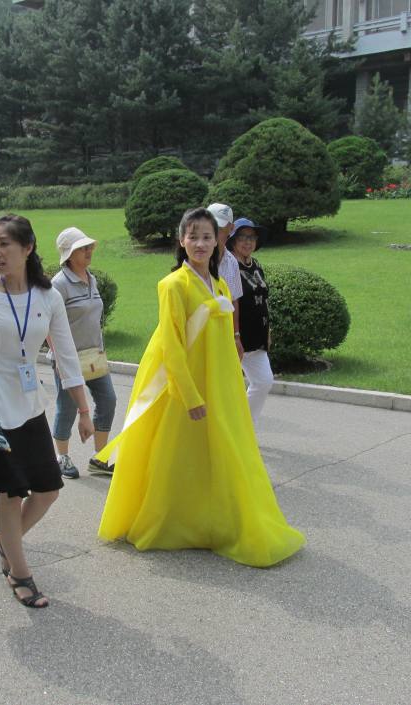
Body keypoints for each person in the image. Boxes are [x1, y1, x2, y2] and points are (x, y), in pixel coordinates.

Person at [96, 207, 305, 567]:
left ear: (217, 241)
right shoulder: (173, 285)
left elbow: (225, 343)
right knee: (178, 458)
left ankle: (215, 522)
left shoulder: (221, 283)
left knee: (220, 453)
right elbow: (172, 346)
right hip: (184, 388)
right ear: (182, 240)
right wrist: (189, 395)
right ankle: (174, 522)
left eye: (207, 236)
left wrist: (232, 388)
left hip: (220, 387)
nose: (200, 243)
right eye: (192, 236)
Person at [0, 214, 94, 608]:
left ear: (28, 248)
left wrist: (84, 409)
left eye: (4, 245)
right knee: (11, 492)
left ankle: (5, 541)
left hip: (30, 406)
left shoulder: (48, 297)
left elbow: (66, 356)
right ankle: (19, 571)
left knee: (48, 490)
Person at [50, 227, 117, 478]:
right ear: (69, 255)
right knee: (66, 408)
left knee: (108, 400)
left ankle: (100, 458)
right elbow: (49, 325)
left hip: (94, 357)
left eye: (89, 247)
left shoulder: (92, 278)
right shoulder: (58, 285)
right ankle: (62, 457)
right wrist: (58, 357)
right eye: (82, 248)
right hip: (68, 359)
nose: (89, 251)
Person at [227, 217, 274, 422]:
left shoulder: (255, 265)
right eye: (242, 237)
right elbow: (229, 302)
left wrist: (268, 331)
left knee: (264, 381)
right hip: (236, 336)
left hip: (257, 337)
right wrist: (234, 334)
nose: (248, 242)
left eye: (251, 237)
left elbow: (263, 299)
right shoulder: (228, 267)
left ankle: (245, 426)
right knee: (228, 388)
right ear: (233, 240)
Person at [206, 203, 244, 360]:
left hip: (223, 332)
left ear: (231, 229)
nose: (215, 233)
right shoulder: (198, 260)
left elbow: (234, 301)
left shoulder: (232, 262)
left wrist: (236, 336)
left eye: (220, 228)